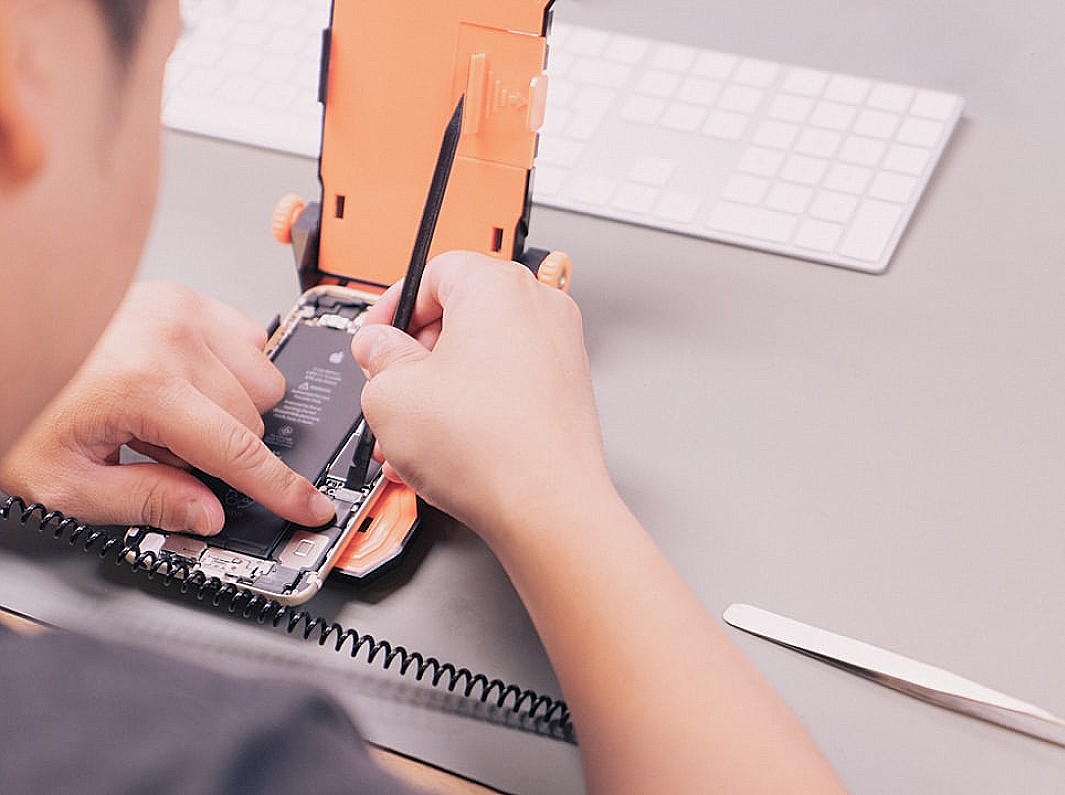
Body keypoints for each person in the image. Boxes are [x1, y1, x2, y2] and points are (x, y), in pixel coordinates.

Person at [0, 1, 847, 793]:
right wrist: (554, 496)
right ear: (18, 108)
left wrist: (28, 371)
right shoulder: (243, 760)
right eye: (167, 57)